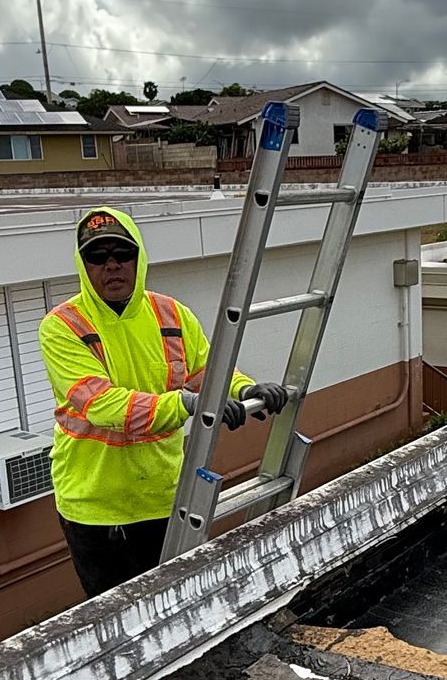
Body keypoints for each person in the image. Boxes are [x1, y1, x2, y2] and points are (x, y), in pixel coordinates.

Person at [42, 206, 285, 598]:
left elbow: (206, 371)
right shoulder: (63, 327)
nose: (112, 265)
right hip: (97, 508)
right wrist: (187, 404)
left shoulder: (171, 314)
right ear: (82, 264)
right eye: (97, 256)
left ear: (139, 257)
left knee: (179, 602)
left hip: (166, 497)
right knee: (121, 620)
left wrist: (244, 389)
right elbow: (102, 406)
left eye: (123, 254)